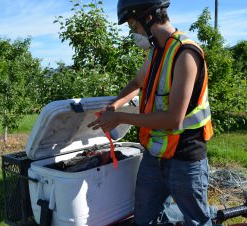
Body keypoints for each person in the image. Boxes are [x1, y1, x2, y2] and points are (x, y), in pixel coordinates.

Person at [88, 0, 214, 225]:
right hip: (154, 156)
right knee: (145, 219)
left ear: (147, 18)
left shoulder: (185, 53)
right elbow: (138, 81)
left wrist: (120, 117)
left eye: (132, 25)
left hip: (185, 158)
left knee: (196, 221)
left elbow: (174, 118)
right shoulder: (157, 51)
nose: (133, 32)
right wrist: (115, 104)